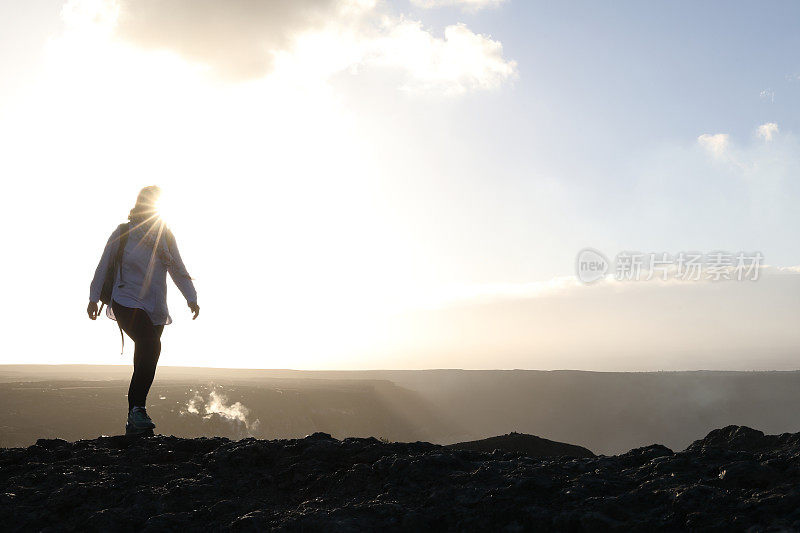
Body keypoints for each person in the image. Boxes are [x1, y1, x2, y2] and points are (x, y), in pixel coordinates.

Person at [88, 186, 199, 435]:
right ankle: (138, 409)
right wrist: (94, 298)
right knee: (151, 345)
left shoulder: (165, 237)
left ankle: (135, 417)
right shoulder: (124, 233)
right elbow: (103, 263)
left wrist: (191, 298)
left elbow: (178, 269)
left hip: (155, 306)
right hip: (126, 300)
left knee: (145, 357)